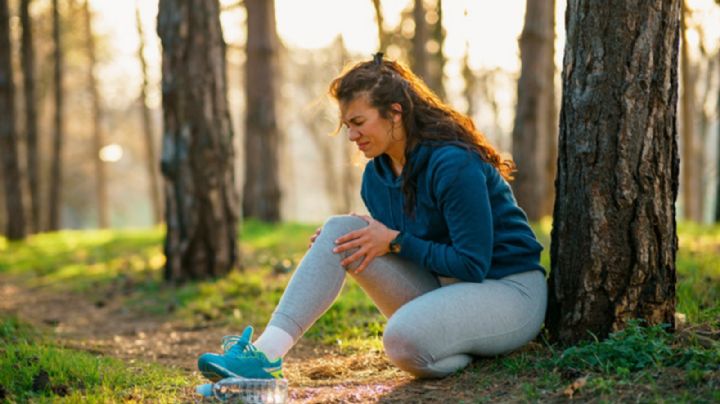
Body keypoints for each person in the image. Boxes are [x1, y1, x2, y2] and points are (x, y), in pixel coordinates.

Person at [197, 53, 547, 380]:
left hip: (508, 290)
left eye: (359, 122)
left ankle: (461, 345)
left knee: (401, 340)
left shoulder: (453, 164)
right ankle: (264, 355)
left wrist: (393, 242)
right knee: (342, 230)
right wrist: (365, 237)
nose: (351, 136)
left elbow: (472, 264)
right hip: (446, 288)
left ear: (395, 113)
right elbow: (408, 242)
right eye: (347, 125)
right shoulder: (376, 178)